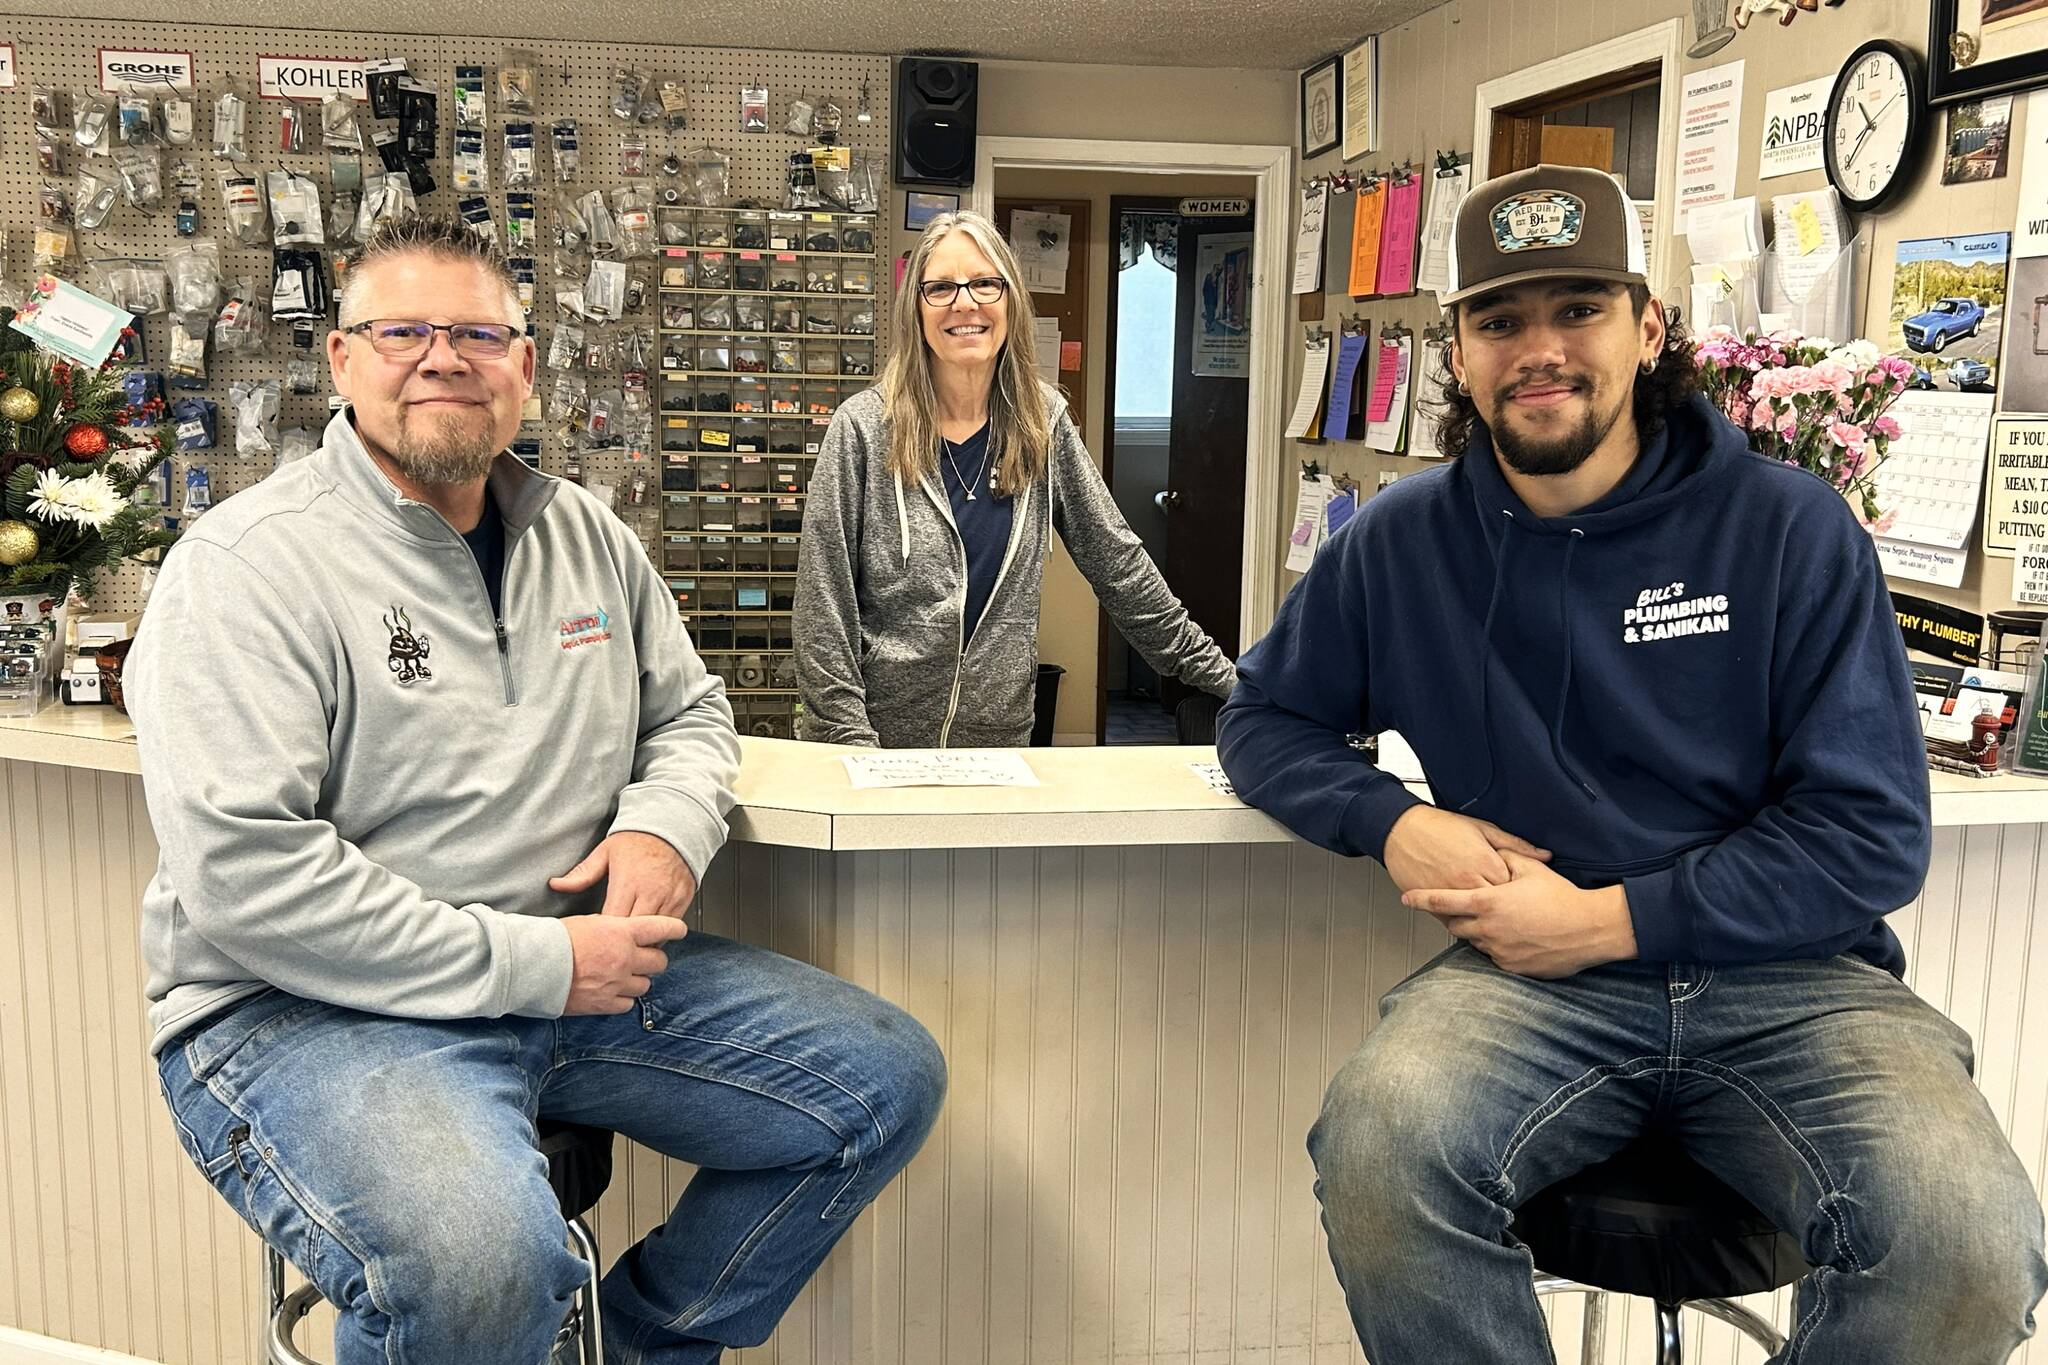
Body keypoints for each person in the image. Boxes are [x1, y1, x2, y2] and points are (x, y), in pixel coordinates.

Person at [1216, 165, 2046, 1362]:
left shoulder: (1786, 528)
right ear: (1456, 351)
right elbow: (1263, 720)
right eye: (1500, 321)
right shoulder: (1400, 543)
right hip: (1528, 996)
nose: (1537, 350)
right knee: (1383, 1150)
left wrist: (1607, 920)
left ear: (1648, 328)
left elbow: (1866, 836)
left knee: (1967, 1246)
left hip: (1796, 985)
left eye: (1577, 310)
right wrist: (1391, 820)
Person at [128, 215, 946, 1365]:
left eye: (478, 333)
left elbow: (691, 713)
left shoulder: (587, 536)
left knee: (880, 1083)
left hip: (571, 985)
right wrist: (542, 964)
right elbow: (244, 876)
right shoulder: (244, 570)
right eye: (402, 329)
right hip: (308, 1011)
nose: (443, 358)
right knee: (479, 1270)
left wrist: (666, 824)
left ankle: (637, 1348)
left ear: (523, 363)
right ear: (342, 361)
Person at [795, 209, 1235, 748]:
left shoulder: (1040, 424)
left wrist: (1231, 683)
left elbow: (1118, 565)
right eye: (941, 288)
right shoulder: (862, 429)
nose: (965, 303)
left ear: (1010, 301)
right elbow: (823, 602)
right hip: (877, 742)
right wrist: (848, 743)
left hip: (997, 743)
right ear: (915, 307)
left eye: (984, 283)